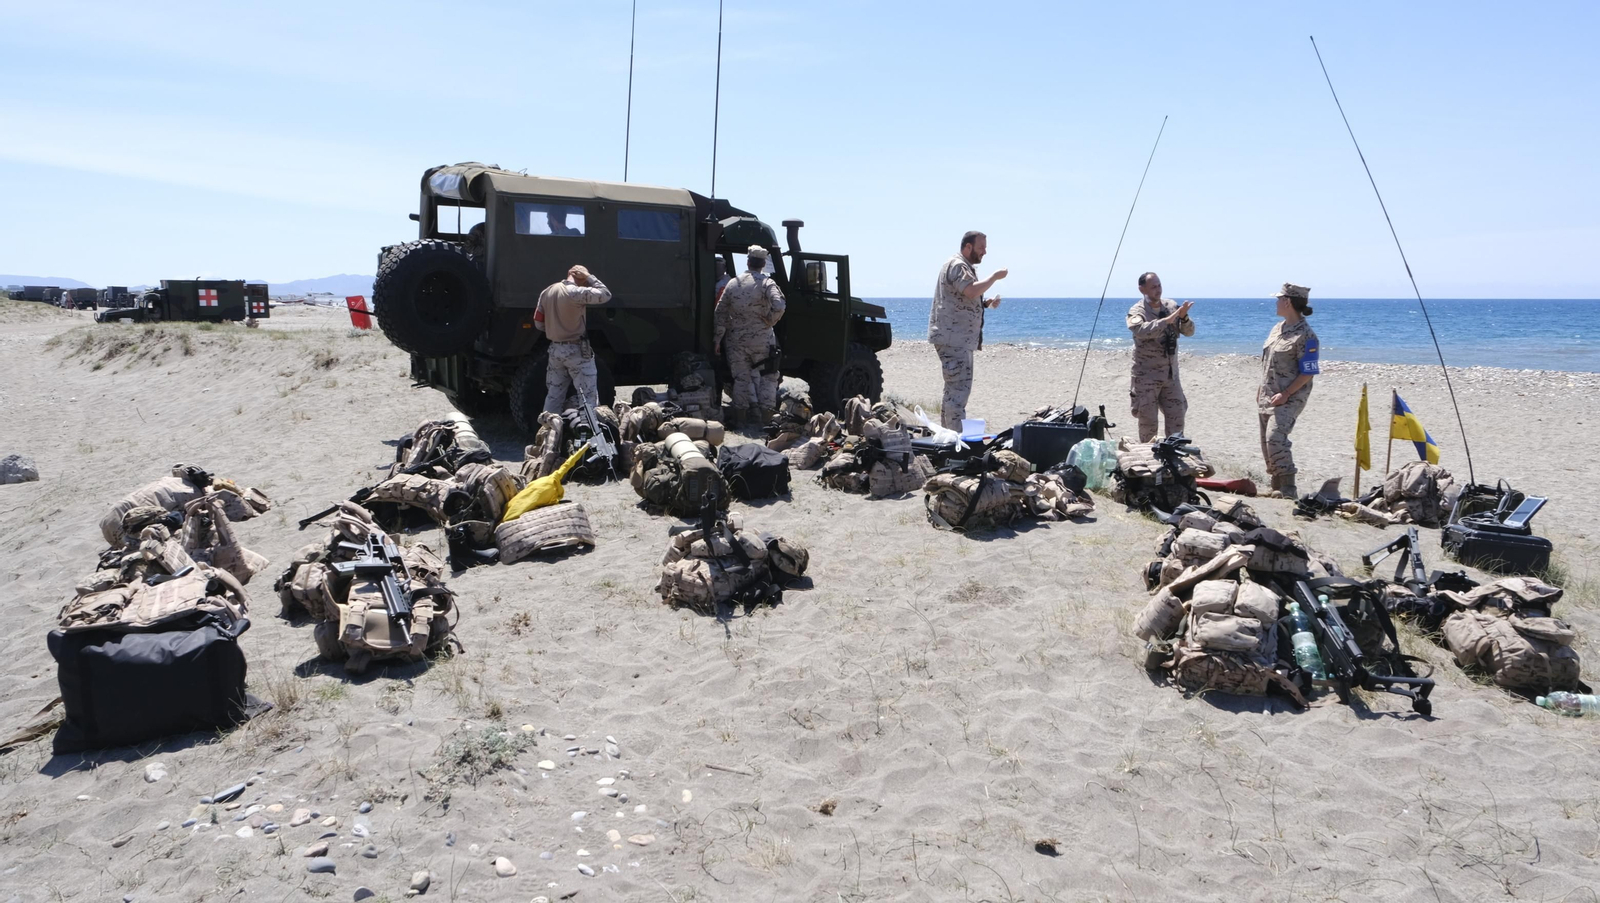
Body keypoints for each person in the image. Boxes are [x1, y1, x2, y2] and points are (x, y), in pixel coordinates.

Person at [928, 231, 1007, 430]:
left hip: (956, 339)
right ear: (968, 247)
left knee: (953, 391)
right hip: (954, 340)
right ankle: (954, 439)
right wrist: (994, 277)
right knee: (958, 393)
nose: (985, 252)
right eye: (981, 247)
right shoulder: (958, 265)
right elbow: (970, 290)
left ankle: (947, 436)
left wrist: (985, 303)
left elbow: (965, 295)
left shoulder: (962, 266)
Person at [1257, 282, 1319, 499]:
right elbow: (1268, 362)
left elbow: (1308, 372)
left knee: (1275, 438)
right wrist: (1261, 389)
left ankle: (1288, 489)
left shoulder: (1306, 335)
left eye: (1278, 299)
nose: (1276, 303)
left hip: (1290, 397)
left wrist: (1286, 394)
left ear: (1287, 302)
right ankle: (1275, 486)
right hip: (1268, 394)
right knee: (1266, 443)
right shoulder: (1277, 328)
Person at [714, 245, 787, 427]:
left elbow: (720, 312)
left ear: (748, 262)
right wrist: (770, 321)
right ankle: (766, 421)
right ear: (763, 264)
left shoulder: (733, 283)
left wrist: (717, 339)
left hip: (736, 340)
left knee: (741, 378)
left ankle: (741, 419)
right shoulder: (767, 283)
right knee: (768, 377)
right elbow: (780, 306)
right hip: (762, 340)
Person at [1126, 272, 1194, 442]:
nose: (1158, 290)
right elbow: (1140, 330)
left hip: (1171, 376)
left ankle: (1173, 453)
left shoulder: (1171, 306)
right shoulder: (1137, 311)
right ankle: (1149, 456)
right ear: (1142, 289)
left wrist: (1184, 317)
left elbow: (1189, 332)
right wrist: (1166, 321)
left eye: (1159, 285)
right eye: (1153, 287)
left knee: (1177, 419)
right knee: (1148, 424)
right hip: (1146, 377)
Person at [535, 264, 612, 413]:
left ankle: (548, 426)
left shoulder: (547, 291)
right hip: (576, 350)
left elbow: (538, 323)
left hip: (555, 350)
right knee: (588, 397)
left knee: (554, 395)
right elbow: (605, 294)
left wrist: (557, 331)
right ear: (581, 277)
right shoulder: (576, 292)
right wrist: (589, 277)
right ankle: (588, 427)